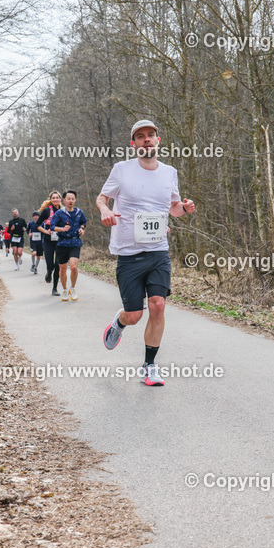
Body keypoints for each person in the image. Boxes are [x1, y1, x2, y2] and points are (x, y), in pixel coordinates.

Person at [97, 120, 195, 387]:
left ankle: (149, 366)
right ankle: (119, 323)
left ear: (158, 140)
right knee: (134, 315)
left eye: (151, 135)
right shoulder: (122, 170)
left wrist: (185, 208)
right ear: (134, 144)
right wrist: (105, 211)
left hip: (158, 250)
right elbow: (102, 198)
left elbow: (173, 207)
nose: (147, 139)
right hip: (129, 253)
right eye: (140, 137)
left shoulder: (170, 173)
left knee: (158, 304)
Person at [50, 190, 87, 301]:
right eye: (68, 199)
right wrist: (62, 229)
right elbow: (52, 226)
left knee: (74, 266)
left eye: (73, 199)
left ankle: (73, 288)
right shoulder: (59, 213)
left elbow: (83, 222)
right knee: (63, 269)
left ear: (75, 200)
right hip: (62, 243)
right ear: (64, 200)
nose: (71, 201)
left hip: (75, 242)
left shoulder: (79, 212)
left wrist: (82, 229)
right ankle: (65, 290)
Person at [39, 192, 63, 296]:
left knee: (58, 265)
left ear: (60, 199)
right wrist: (46, 231)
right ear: (51, 199)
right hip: (48, 241)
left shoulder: (63, 211)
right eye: (53, 198)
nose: (55, 199)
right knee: (50, 265)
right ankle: (49, 272)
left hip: (60, 241)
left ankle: (55, 288)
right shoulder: (46, 211)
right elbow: (38, 225)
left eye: (57, 197)